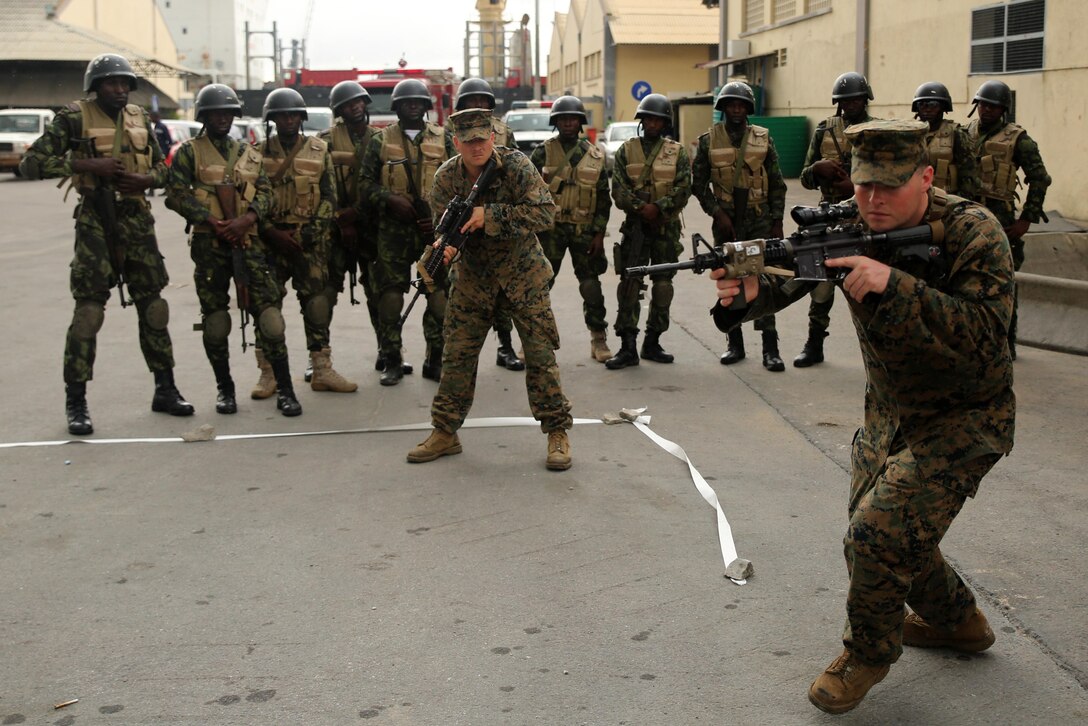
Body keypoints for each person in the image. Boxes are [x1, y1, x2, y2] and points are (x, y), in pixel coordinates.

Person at [709, 119, 1015, 714]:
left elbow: (986, 339)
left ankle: (868, 653)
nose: (873, 200)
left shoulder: (975, 232)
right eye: (863, 185)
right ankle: (959, 623)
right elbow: (794, 276)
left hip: (967, 414)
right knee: (884, 537)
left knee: (876, 534)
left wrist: (894, 285)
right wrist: (745, 299)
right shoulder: (848, 221)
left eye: (890, 187)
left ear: (926, 177)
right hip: (890, 411)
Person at [20, 53, 194, 434]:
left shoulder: (139, 117)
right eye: (111, 83)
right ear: (95, 86)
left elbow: (167, 169)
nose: (119, 89)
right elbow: (31, 164)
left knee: (154, 308)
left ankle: (165, 389)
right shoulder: (73, 118)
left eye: (124, 83)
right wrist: (84, 166)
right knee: (88, 312)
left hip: (137, 220)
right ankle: (76, 402)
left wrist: (147, 181)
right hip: (96, 220)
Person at [406, 108, 573, 471]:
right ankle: (445, 431)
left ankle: (557, 431)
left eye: (482, 140)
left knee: (541, 356)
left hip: (523, 276)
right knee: (457, 356)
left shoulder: (515, 166)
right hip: (473, 281)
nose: (476, 147)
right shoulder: (447, 177)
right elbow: (442, 228)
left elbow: (546, 212)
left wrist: (489, 216)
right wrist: (441, 250)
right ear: (456, 143)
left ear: (492, 138)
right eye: (468, 142)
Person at [164, 83, 301, 417]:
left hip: (249, 242)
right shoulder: (188, 153)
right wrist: (211, 221)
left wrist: (248, 219)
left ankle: (285, 389)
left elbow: (265, 193)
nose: (222, 118)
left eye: (228, 112)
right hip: (209, 245)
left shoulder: (249, 153)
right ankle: (225, 390)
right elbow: (175, 194)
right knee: (215, 320)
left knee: (269, 317)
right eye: (215, 113)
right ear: (204, 116)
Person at [256, 87, 352, 403]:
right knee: (268, 308)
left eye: (293, 115)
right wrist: (270, 231)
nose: (288, 120)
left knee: (317, 304)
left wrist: (313, 231)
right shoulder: (256, 153)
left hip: (309, 242)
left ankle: (321, 368)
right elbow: (250, 198)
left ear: (301, 118)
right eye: (282, 115)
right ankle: (268, 372)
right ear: (271, 119)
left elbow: (329, 196)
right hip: (271, 242)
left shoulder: (318, 149)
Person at [358, 78, 456, 385]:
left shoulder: (444, 139)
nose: (412, 105)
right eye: (406, 101)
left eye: (418, 101)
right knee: (389, 297)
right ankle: (393, 360)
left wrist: (444, 220)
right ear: (397, 106)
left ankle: (435, 358)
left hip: (434, 232)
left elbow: (460, 183)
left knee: (438, 297)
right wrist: (389, 199)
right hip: (393, 231)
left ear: (426, 106)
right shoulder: (379, 140)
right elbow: (364, 185)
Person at [318, 81, 413, 381]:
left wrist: (357, 215)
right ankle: (319, 357)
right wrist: (339, 219)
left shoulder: (381, 140)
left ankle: (387, 351)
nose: (355, 107)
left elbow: (383, 186)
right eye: (348, 104)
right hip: (336, 228)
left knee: (379, 292)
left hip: (372, 226)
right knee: (325, 293)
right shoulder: (325, 142)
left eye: (359, 102)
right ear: (339, 110)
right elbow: (320, 187)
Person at [692, 81, 787, 371]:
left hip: (758, 219)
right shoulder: (708, 140)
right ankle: (734, 344)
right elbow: (698, 184)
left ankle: (770, 348)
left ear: (748, 108)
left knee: (762, 278)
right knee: (730, 280)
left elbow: (777, 183)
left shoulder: (763, 139)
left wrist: (777, 221)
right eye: (731, 104)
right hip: (727, 223)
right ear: (722, 108)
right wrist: (717, 212)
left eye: (741, 104)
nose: (736, 109)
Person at [795, 72, 878, 368]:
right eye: (845, 100)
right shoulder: (824, 130)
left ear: (865, 99)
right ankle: (814, 344)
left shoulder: (879, 131)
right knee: (821, 285)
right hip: (828, 219)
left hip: (867, 218)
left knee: (869, 287)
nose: (851, 104)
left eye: (856, 99)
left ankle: (880, 352)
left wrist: (854, 187)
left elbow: (891, 179)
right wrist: (817, 169)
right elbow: (804, 177)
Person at [604, 93, 691, 369]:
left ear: (665, 123)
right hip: (635, 229)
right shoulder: (626, 151)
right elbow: (618, 189)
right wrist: (643, 210)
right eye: (648, 119)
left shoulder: (677, 152)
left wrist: (661, 208)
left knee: (663, 286)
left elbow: (683, 188)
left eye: (658, 119)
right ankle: (627, 346)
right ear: (641, 121)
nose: (652, 123)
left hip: (666, 229)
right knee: (629, 285)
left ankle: (653, 341)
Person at [966, 80, 1051, 358]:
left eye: (993, 106)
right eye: (982, 104)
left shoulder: (1019, 140)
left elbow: (1039, 178)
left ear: (1004, 109)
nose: (986, 110)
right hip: (967, 217)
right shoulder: (964, 133)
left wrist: (1027, 219)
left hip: (1001, 220)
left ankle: (1006, 344)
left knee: (1003, 282)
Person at [528, 95, 613, 364]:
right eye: (563, 118)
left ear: (580, 122)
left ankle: (598, 338)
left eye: (572, 118)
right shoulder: (542, 152)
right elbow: (527, 192)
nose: (567, 122)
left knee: (591, 287)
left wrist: (599, 233)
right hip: (549, 231)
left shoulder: (595, 155)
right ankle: (533, 342)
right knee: (539, 287)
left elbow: (603, 198)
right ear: (556, 122)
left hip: (583, 231)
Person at [449, 77, 525, 372]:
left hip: (497, 216)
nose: (477, 107)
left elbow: (515, 171)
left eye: (482, 102)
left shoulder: (504, 131)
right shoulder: (452, 133)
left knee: (503, 294)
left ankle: (505, 347)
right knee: (462, 293)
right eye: (471, 102)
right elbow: (448, 170)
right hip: (463, 219)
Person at [911, 82, 980, 201]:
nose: (927, 110)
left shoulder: (956, 133)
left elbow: (968, 173)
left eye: (933, 105)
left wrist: (961, 202)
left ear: (943, 107)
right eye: (922, 104)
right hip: (915, 197)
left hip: (947, 199)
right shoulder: (910, 133)